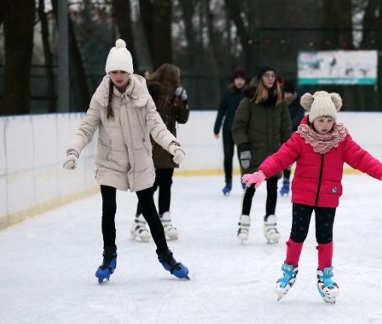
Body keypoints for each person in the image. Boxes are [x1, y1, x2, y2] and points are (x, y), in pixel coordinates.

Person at [242, 91, 382, 304]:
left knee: (325, 236)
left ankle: (325, 275)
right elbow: (281, 157)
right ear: (312, 118)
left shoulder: (341, 139)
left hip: (328, 197)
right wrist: (262, 172)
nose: (325, 124)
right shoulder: (301, 138)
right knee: (297, 234)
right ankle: (289, 270)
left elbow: (361, 157)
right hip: (302, 197)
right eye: (321, 120)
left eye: (329, 120)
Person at [63, 39, 189, 282]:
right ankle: (109, 255)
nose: (118, 76)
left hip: (140, 159)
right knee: (108, 208)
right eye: (114, 71)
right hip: (110, 159)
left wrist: (173, 146)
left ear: (129, 72)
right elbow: (86, 128)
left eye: (122, 71)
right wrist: (73, 151)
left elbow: (157, 126)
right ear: (108, 72)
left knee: (150, 210)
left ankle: (165, 255)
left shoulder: (142, 95)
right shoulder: (101, 96)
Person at [232, 65, 292, 244]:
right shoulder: (248, 101)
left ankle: (270, 224)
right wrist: (243, 147)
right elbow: (238, 126)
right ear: (260, 79)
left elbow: (286, 128)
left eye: (273, 75)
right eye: (267, 75)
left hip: (274, 152)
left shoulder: (279, 102)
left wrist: (289, 151)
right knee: (250, 188)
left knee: (272, 188)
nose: (270, 78)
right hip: (252, 152)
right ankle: (244, 222)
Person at [130, 63, 190, 242]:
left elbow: (183, 119)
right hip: (152, 146)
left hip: (168, 147)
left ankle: (165, 217)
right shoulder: (152, 93)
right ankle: (139, 220)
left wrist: (184, 102)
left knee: (166, 183)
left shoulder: (174, 96)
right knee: (150, 185)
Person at [214, 68, 248, 195]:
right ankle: (228, 182)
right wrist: (216, 128)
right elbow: (221, 111)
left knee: (243, 157)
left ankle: (245, 181)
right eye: (237, 79)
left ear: (245, 81)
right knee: (228, 157)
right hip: (228, 130)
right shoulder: (228, 93)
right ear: (234, 80)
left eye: (242, 79)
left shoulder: (248, 94)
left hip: (243, 131)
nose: (239, 82)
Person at [279, 79, 305, 196]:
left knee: (291, 159)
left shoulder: (299, 103)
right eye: (286, 93)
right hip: (282, 133)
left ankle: (289, 182)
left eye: (290, 93)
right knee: (284, 158)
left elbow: (299, 118)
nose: (288, 95)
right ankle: (283, 181)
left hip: (294, 134)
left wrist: (288, 126)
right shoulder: (280, 102)